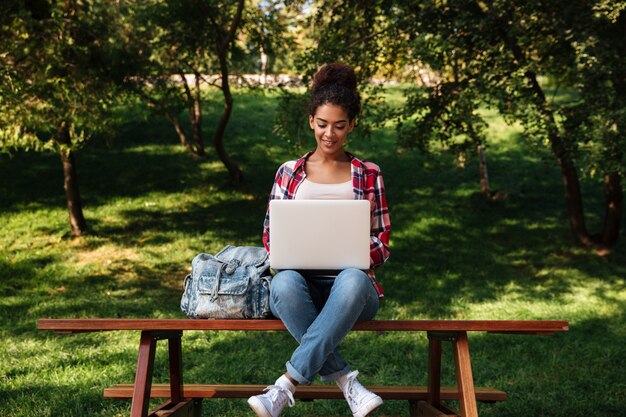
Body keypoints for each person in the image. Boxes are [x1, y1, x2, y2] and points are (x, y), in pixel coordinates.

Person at [248, 63, 391, 417]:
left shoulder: (368, 174)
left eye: (340, 126)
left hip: (355, 292)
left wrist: (356, 250)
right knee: (282, 285)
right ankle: (348, 384)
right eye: (323, 124)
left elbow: (383, 241)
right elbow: (270, 235)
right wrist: (288, 250)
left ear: (352, 125)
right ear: (311, 120)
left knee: (354, 277)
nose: (330, 134)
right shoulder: (288, 173)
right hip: (303, 289)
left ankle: (285, 386)